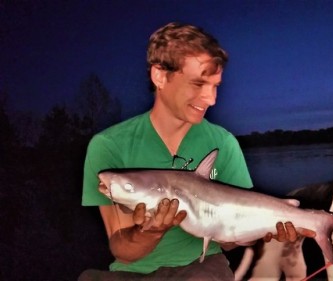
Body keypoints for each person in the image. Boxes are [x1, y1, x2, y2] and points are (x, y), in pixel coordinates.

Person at [79, 22, 315, 280]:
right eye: (198, 84)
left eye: (215, 86)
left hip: (203, 265)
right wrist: (151, 232)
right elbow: (122, 250)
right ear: (160, 76)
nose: (211, 99)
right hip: (131, 273)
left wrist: (261, 228)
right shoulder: (108, 145)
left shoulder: (223, 142)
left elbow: (228, 242)